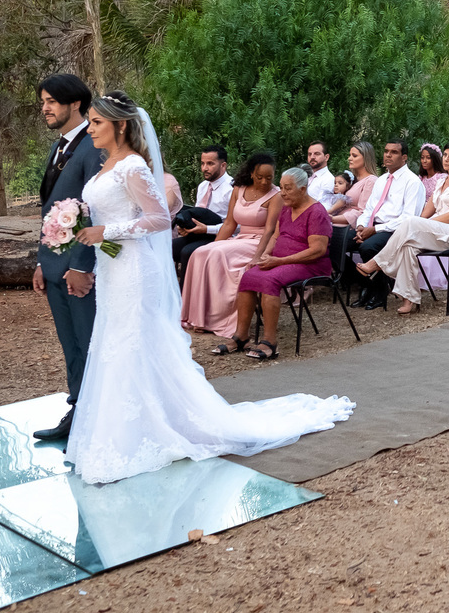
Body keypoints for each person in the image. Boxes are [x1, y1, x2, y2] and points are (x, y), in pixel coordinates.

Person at [66, 93, 353, 484]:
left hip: (134, 271)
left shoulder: (132, 165)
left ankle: (151, 429)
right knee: (114, 342)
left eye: (97, 122)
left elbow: (157, 218)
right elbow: (115, 216)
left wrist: (107, 231)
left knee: (133, 341)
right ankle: (124, 428)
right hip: (113, 267)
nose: (90, 129)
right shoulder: (107, 165)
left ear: (119, 125)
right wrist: (88, 231)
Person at [30, 74, 104, 442]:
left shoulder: (94, 147)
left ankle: (96, 418)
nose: (44, 108)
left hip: (79, 270)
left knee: (89, 342)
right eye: (43, 101)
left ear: (75, 103)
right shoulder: (58, 148)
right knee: (69, 343)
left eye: (51, 101)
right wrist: (41, 261)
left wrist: (80, 266)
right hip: (54, 265)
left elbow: (94, 211)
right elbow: (52, 210)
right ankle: (78, 410)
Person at [224, 167, 340, 359]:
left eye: (288, 188)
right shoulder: (286, 208)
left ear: (303, 189)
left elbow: (317, 250)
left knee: (270, 280)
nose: (283, 193)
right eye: (281, 188)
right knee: (248, 277)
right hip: (281, 262)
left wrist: (279, 261)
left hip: (311, 264)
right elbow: (275, 236)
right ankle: (241, 336)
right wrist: (263, 256)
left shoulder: (316, 212)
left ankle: (270, 342)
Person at [356, 142, 449, 314]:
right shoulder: (441, 181)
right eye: (445, 155)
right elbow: (424, 215)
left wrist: (427, 223)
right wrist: (422, 223)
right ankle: (409, 298)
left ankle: (378, 263)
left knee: (411, 222)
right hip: (437, 232)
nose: (446, 159)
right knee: (408, 246)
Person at [181, 153, 282, 342]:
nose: (264, 182)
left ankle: (217, 319)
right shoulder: (239, 189)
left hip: (258, 241)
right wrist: (214, 244)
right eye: (260, 177)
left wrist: (257, 257)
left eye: (269, 178)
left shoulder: (276, 195)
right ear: (251, 173)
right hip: (240, 238)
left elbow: (270, 230)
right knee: (200, 253)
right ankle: (198, 317)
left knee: (218, 254)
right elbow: (229, 223)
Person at [350, 141, 426, 310]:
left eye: (394, 152)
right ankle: (366, 285)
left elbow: (408, 218)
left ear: (404, 157)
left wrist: (375, 230)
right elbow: (369, 209)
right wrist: (361, 226)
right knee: (341, 242)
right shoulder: (381, 180)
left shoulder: (412, 182)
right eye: (386, 151)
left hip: (395, 230)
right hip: (372, 226)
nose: (388, 155)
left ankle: (379, 291)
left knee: (368, 247)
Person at [171, 145, 233, 282]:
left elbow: (237, 225)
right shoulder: (203, 186)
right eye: (202, 163)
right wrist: (186, 227)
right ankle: (168, 289)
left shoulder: (232, 189)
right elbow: (197, 214)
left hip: (221, 236)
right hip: (198, 234)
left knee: (188, 252)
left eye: (210, 164)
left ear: (223, 165)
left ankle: (186, 293)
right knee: (168, 248)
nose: (205, 168)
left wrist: (207, 229)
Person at [331, 142, 378, 228]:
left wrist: (332, 219)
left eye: (354, 156)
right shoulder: (352, 178)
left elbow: (363, 212)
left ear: (366, 158)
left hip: (347, 226)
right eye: (350, 155)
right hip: (335, 219)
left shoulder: (371, 181)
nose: (349, 158)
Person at [303, 140, 336, 209]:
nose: (312, 157)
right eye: (309, 154)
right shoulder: (305, 176)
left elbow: (323, 208)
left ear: (326, 157)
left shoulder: (328, 179)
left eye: (317, 154)